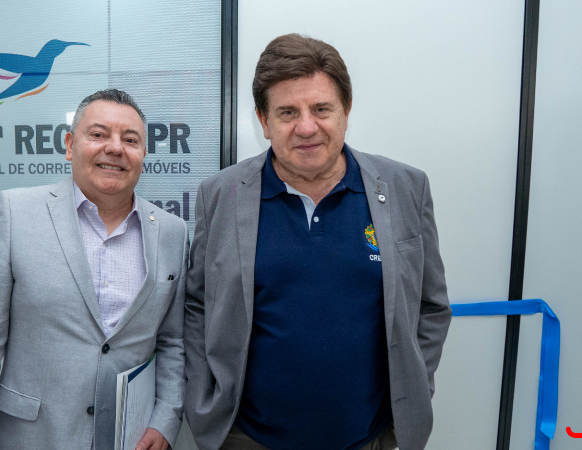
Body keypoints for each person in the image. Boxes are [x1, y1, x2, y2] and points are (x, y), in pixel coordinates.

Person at [184, 34, 451, 450]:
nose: (306, 127)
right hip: (246, 438)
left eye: (321, 109)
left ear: (346, 110)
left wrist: (410, 394)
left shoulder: (404, 188)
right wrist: (204, 401)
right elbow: (197, 304)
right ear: (263, 121)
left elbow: (431, 307)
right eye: (287, 112)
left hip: (368, 438)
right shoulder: (220, 194)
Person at [0, 89, 188, 450]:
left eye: (130, 140)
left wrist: (165, 419)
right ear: (70, 145)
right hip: (32, 438)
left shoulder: (172, 232)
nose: (115, 148)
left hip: (128, 439)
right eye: (99, 134)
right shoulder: (17, 213)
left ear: (143, 154)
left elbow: (172, 342)